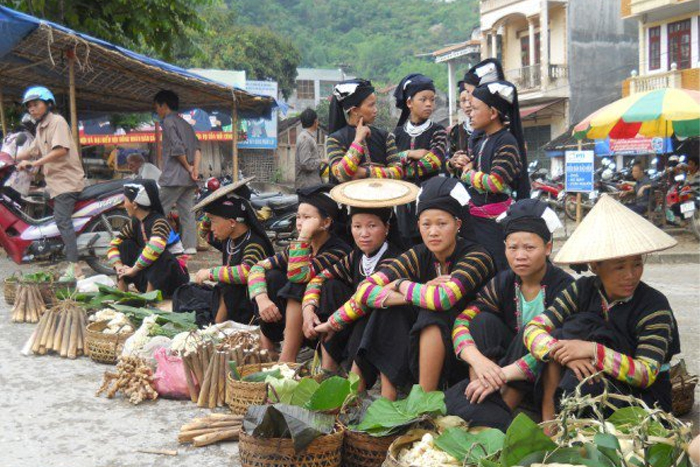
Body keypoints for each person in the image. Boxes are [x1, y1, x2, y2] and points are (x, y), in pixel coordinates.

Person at [322, 177, 495, 399]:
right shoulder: (418, 254)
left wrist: (401, 285)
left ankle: (422, 400)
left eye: (441, 224)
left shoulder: (476, 255)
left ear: (458, 225)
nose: (433, 232)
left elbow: (442, 298)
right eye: (426, 224)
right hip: (422, 346)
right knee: (390, 310)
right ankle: (385, 397)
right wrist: (408, 295)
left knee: (431, 312)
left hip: (468, 345)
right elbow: (365, 291)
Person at [524, 194, 680, 418]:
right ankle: (550, 416)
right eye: (619, 267)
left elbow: (645, 373)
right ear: (596, 266)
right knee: (563, 334)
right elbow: (533, 329)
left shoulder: (654, 306)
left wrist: (591, 351)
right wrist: (565, 353)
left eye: (637, 264)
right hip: (589, 379)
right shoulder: (582, 290)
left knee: (584, 376)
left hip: (643, 400)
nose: (630, 275)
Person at [444, 199, 573, 432]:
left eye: (529, 248)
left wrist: (503, 374)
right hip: (501, 370)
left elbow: (560, 345)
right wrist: (477, 359)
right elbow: (463, 321)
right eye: (513, 248)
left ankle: (519, 409)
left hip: (546, 372)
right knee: (482, 321)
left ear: (548, 247)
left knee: (534, 332)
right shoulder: (503, 282)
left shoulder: (565, 287)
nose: (520, 256)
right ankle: (483, 390)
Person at [308, 179, 415, 393]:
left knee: (369, 316)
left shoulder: (394, 259)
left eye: (372, 226)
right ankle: (327, 369)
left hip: (385, 327)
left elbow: (365, 299)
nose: (363, 233)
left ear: (387, 228)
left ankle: (356, 386)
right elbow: (318, 278)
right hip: (351, 319)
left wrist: (331, 323)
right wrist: (307, 310)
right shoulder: (355, 257)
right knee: (330, 286)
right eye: (357, 226)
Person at [248, 184, 351, 360]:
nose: (300, 222)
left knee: (296, 283)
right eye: (298, 217)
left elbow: (298, 275)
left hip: (328, 320)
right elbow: (257, 268)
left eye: (307, 217)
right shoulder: (298, 248)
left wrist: (303, 237)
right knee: (271, 277)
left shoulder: (338, 250)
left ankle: (287, 359)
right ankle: (269, 349)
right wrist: (262, 299)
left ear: (326, 222)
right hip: (300, 317)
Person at [174, 178, 275, 327]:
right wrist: (209, 212)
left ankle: (217, 326)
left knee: (228, 285)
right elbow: (204, 233)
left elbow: (246, 272)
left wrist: (210, 273)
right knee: (185, 291)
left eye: (214, 221)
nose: (212, 227)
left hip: (246, 306)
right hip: (227, 300)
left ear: (232, 223)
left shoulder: (254, 244)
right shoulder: (229, 239)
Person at [16, 86, 86, 279]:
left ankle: (75, 267)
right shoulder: (40, 127)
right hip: (54, 184)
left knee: (62, 220)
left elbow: (61, 150)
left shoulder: (58, 122)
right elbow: (31, 151)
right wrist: (9, 157)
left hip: (66, 182)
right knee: (39, 204)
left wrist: (34, 163)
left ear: (48, 104)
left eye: (35, 104)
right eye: (29, 106)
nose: (32, 109)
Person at [460, 80, 529, 271]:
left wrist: (467, 174)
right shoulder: (482, 140)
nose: (470, 112)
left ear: (492, 113)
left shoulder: (506, 141)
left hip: (495, 222)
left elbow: (496, 183)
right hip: (477, 219)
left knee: (496, 266)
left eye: (474, 108)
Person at [107, 180, 189, 297]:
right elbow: (113, 245)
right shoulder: (135, 223)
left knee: (155, 252)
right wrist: (119, 266)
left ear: (134, 204)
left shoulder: (160, 222)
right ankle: (121, 291)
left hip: (172, 280)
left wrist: (133, 269)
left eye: (125, 200)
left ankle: (150, 297)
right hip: (147, 276)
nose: (123, 204)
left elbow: (155, 248)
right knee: (124, 245)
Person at [391, 73, 447, 247]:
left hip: (429, 199)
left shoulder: (438, 131)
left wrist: (400, 167)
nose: (429, 104)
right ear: (409, 103)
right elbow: (389, 163)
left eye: (432, 99)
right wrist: (409, 154)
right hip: (402, 202)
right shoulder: (396, 134)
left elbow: (434, 162)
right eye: (423, 99)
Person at [326, 79, 404, 183]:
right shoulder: (335, 140)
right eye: (371, 105)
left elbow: (398, 172)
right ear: (354, 110)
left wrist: (365, 172)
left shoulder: (386, 137)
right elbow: (341, 175)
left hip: (383, 198)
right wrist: (358, 141)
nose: (376, 110)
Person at [154, 89, 201, 255]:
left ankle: (151, 245)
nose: (157, 111)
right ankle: (190, 247)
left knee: (156, 211)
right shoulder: (186, 124)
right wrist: (194, 169)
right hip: (189, 180)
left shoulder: (168, 122)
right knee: (187, 213)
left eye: (157, 107)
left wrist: (188, 167)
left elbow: (177, 147)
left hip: (174, 177)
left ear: (163, 105)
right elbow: (197, 149)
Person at [447, 59, 505, 176]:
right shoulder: (456, 131)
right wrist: (454, 162)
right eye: (464, 100)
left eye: (471, 95)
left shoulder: (501, 133)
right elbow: (449, 165)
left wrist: (470, 174)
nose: (468, 104)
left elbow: (496, 180)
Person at [295, 108, 324, 189]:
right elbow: (305, 164)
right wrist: (322, 161)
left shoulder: (307, 137)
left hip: (310, 185)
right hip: (307, 187)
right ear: (315, 121)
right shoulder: (306, 139)